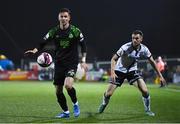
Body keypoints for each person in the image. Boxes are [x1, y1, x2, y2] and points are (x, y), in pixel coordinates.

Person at [24, 8, 88, 118]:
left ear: (69, 18)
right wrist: (34, 51)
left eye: (65, 16)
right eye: (61, 16)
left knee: (68, 85)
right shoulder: (54, 31)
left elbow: (83, 45)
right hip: (59, 63)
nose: (63, 18)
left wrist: (83, 61)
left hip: (71, 63)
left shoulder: (75, 31)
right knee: (58, 91)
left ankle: (75, 104)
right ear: (58, 17)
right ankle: (66, 112)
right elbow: (42, 42)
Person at [98, 30, 166, 116]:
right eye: (133, 38)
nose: (134, 40)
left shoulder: (144, 49)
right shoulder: (125, 47)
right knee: (108, 94)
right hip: (119, 70)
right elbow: (113, 59)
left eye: (137, 38)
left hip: (132, 71)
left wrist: (160, 76)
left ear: (141, 39)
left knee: (145, 91)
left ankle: (148, 110)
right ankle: (104, 104)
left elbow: (152, 61)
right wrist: (112, 72)